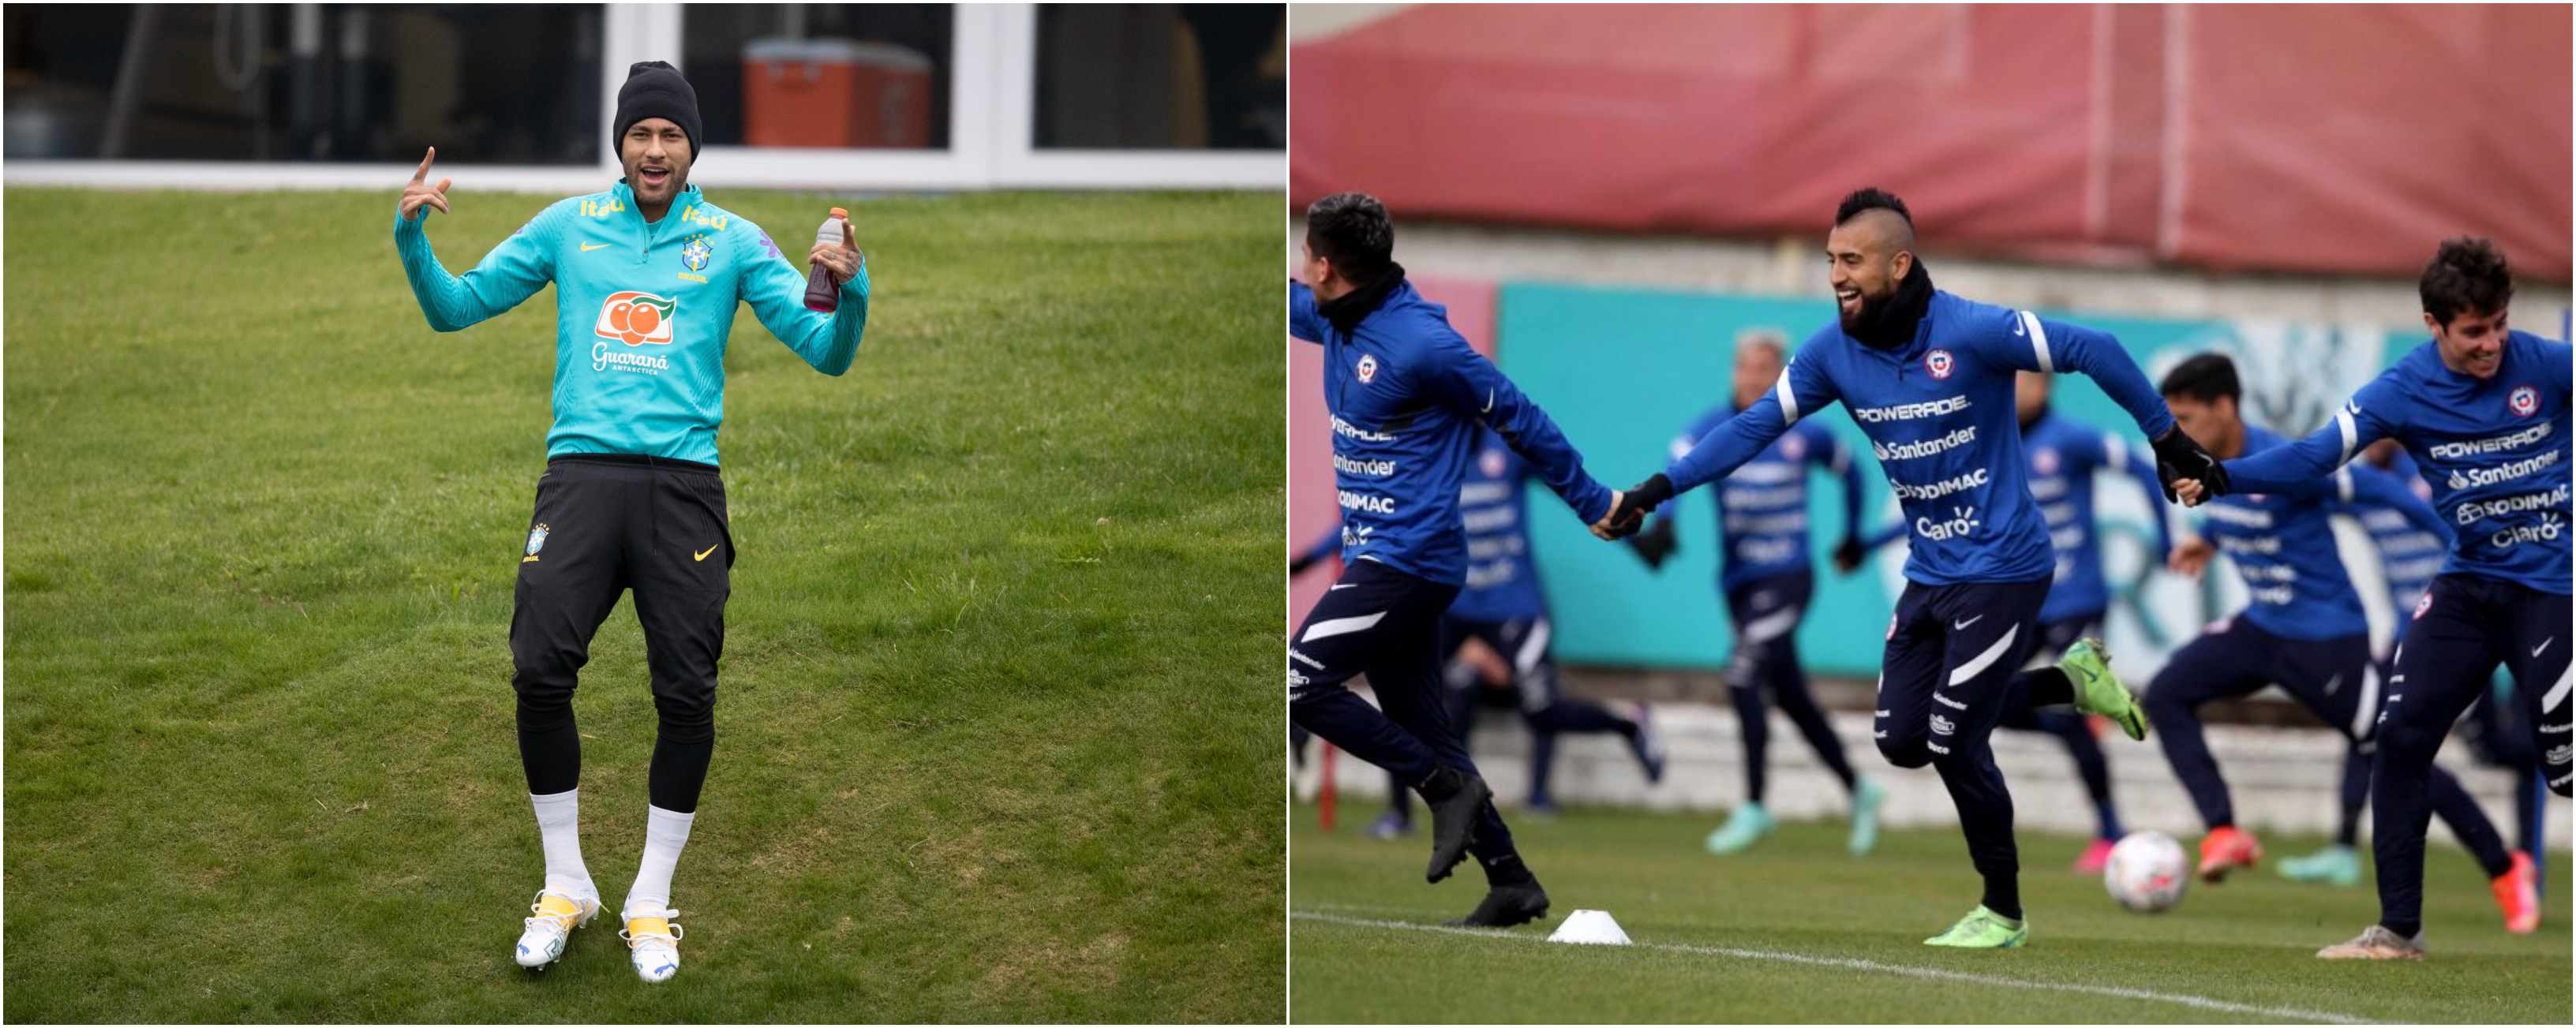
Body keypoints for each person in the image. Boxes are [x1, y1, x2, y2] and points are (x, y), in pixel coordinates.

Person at [1603, 188, 2225, 948]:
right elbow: (1753, 428)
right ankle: (2069, 682)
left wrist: (2167, 439)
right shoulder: (1831, 353)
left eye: (1851, 260)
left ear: (1899, 264)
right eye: (1830, 259)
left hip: (2007, 568)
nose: (1835, 274)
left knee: (1953, 737)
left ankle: (2002, 909)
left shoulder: (1971, 330)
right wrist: (1655, 491)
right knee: (1902, 740)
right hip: (1931, 574)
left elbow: (2094, 348)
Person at [396, 62, 871, 982]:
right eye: (640, 133)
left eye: (672, 135)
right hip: (578, 482)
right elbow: (457, 309)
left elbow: (826, 353)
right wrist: (414, 238)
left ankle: (650, 898)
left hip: (682, 492)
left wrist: (847, 290)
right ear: (620, 143)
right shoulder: (569, 227)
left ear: (694, 148)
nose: (655, 150)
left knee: (687, 694)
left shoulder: (732, 241)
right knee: (538, 670)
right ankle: (566, 880)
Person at [2183, 237, 2569, 960]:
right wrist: (2223, 477)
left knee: (2565, 771)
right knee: (2400, 738)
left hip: (2555, 587)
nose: (2492, 343)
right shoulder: (2401, 389)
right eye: (2474, 331)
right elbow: (2311, 458)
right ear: (2434, 323)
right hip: (2468, 586)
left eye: (2499, 325)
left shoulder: (2548, 364)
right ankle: (2398, 930)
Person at [1287, 193, 1628, 928]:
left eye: (1304, 252)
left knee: (1296, 679)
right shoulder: (1333, 311)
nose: (1298, 264)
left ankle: (1441, 788)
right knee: (1424, 722)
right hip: (1378, 559)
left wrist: (1592, 498)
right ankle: (1511, 880)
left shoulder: (1422, 345)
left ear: (1325, 264)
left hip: (1409, 564)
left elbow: (1521, 415)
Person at [2140, 355, 2534, 935]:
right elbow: (2239, 518)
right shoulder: (2204, 466)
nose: (2179, 431)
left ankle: (2505, 866)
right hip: (2261, 628)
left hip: (2325, 642)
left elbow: (2380, 489)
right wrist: (2205, 542)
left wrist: (2461, 539)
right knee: (2168, 692)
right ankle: (2224, 830)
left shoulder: (2288, 463)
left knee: (2397, 755)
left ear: (2226, 408)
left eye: (2188, 417)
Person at [1299, 429, 1668, 836]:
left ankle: (1625, 728)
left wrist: (1633, 539)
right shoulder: (1427, 458)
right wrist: (1306, 560)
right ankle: (1400, 814)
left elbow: (1565, 480)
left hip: (1517, 609)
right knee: (1404, 700)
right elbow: (1374, 516)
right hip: (1455, 606)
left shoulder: (1506, 452)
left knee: (1542, 710)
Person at [1626, 331, 1885, 857]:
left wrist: (1853, 534)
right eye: (1746, 366)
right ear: (1733, 372)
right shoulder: (1710, 428)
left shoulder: (1805, 434)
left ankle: (1754, 804)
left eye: (1766, 366)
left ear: (1781, 374)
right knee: (1790, 696)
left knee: (1743, 672)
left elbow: (1853, 471)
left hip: (1789, 577)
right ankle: (1860, 789)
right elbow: (1679, 467)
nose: (1754, 376)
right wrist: (1666, 524)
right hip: (1741, 586)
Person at [2279, 439, 2443, 887]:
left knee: (2500, 748)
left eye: (2381, 430)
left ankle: (2510, 855)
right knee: (2370, 732)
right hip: (2404, 637)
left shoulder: (2429, 474)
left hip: (2458, 634)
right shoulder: (2366, 488)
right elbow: (2313, 497)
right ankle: (2345, 848)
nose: (2371, 442)